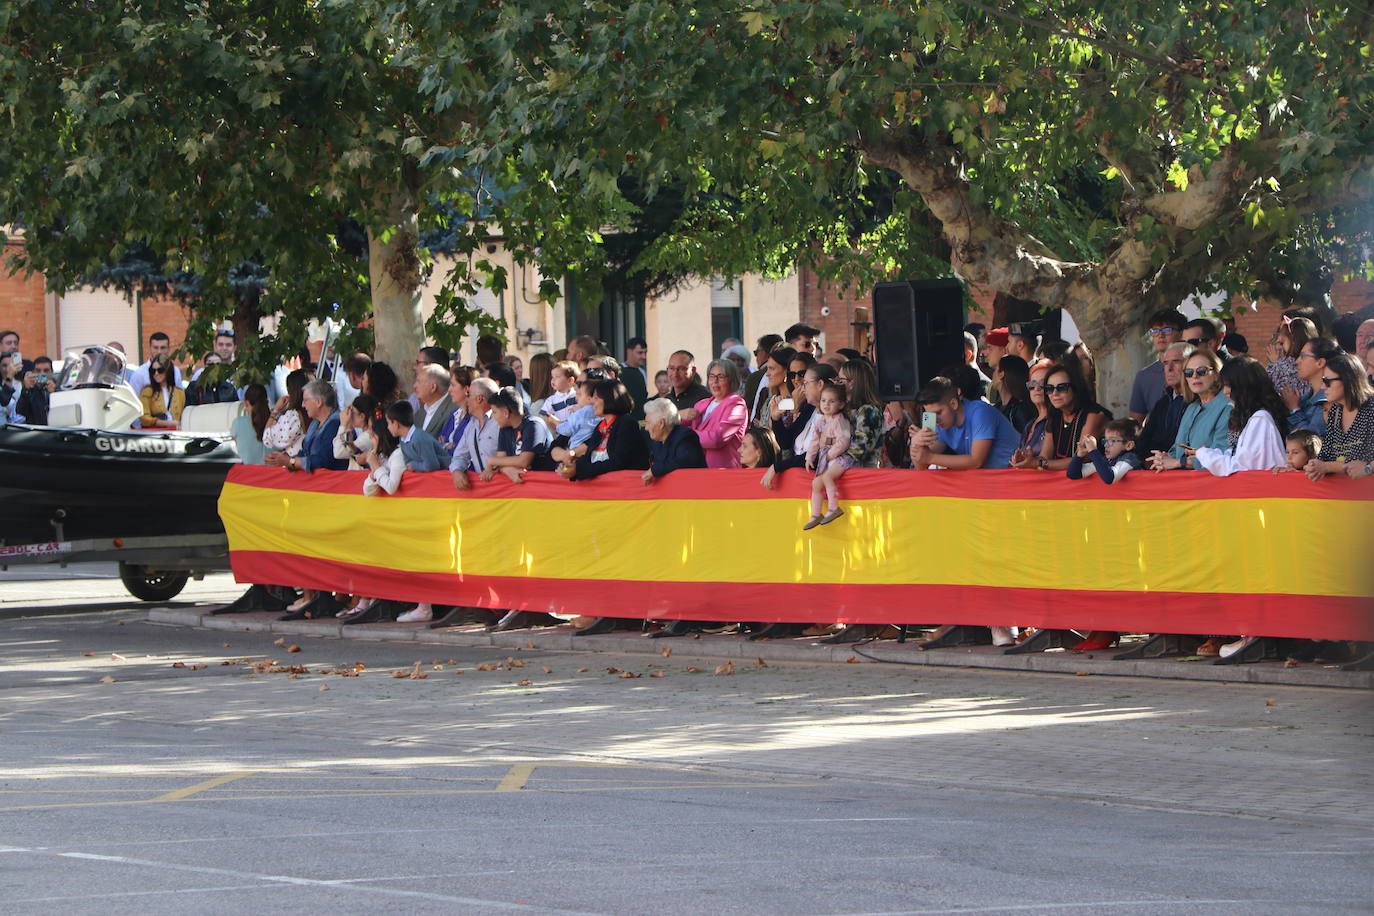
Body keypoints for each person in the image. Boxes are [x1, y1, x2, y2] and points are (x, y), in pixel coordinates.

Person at [1192, 356, 1286, 477]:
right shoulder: (1254, 419)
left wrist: (1204, 454)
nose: (1225, 391)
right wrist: (1210, 453)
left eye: (1228, 385)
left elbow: (1241, 469)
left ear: (1243, 386)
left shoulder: (1260, 421)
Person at [909, 375, 1021, 471]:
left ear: (953, 404)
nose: (935, 420)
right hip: (992, 482)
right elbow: (921, 466)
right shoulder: (941, 423)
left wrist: (930, 457)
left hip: (1017, 477)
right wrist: (916, 444)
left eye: (938, 412)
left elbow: (976, 461)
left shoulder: (980, 412)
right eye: (930, 415)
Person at [1148, 349, 1232, 471]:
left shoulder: (1227, 407)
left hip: (1212, 484)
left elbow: (1220, 456)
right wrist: (1163, 458)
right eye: (1188, 373)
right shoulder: (1191, 408)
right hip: (1184, 483)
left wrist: (1178, 462)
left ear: (1216, 374)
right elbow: (1176, 449)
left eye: (1201, 371)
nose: (1194, 376)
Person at [1303, 350, 1374, 480]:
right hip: (1347, 496)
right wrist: (1308, 466)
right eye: (1323, 381)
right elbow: (1326, 455)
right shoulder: (1335, 411)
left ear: (1347, 380)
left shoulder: (1371, 408)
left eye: (1327, 381)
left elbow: (1360, 463)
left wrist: (1368, 468)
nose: (1323, 387)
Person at [562, 379, 650, 480]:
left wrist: (579, 470)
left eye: (596, 397)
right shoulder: (601, 426)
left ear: (609, 399)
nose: (591, 401)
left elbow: (618, 462)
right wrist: (571, 467)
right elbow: (588, 457)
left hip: (624, 489)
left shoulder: (627, 424)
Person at [1034, 362, 1109, 472]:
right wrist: (1027, 459)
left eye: (1062, 387)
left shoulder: (1094, 415)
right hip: (1064, 484)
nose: (1054, 393)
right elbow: (1044, 456)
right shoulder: (1055, 415)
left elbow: (1082, 459)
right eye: (1049, 388)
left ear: (1076, 388)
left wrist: (1038, 463)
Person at [264, 380, 348, 473]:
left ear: (318, 402)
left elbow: (323, 460)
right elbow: (305, 452)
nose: (303, 405)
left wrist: (290, 461)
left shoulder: (335, 424)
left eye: (305, 400)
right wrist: (286, 458)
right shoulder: (315, 424)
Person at [803, 383, 854, 529]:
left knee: (827, 477)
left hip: (841, 457)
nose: (826, 404)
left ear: (841, 404)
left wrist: (831, 454)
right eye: (824, 400)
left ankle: (833, 507)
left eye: (832, 401)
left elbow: (844, 440)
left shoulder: (839, 420)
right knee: (816, 484)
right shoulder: (820, 421)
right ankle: (816, 514)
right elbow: (814, 440)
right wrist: (809, 457)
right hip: (826, 455)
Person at [481, 386, 555, 483]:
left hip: (546, 486)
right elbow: (501, 460)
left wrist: (491, 461)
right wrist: (506, 469)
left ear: (506, 413)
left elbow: (524, 461)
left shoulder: (534, 425)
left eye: (494, 412)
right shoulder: (505, 428)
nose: (493, 417)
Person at [1132, 343, 1192, 461]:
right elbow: (1144, 441)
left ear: (1190, 365)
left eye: (1176, 361)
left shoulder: (1198, 402)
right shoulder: (1162, 402)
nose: (1169, 368)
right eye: (1165, 363)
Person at [685, 359, 747, 468]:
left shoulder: (737, 404)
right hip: (697, 469)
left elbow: (717, 438)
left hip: (722, 471)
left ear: (732, 380)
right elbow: (673, 423)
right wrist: (678, 415)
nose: (715, 381)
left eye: (721, 376)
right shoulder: (701, 404)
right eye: (712, 376)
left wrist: (688, 435)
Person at [1129, 309, 1187, 421]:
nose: (1161, 335)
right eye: (1155, 331)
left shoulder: (1193, 370)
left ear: (1181, 333)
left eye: (1167, 329)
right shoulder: (1144, 376)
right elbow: (1135, 422)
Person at [448, 377, 501, 490]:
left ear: (479, 399)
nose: (466, 399)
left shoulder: (500, 422)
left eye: (468, 394)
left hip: (505, 491)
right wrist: (457, 471)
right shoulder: (471, 425)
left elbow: (513, 455)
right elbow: (460, 456)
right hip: (483, 493)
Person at [642, 397, 708, 485]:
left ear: (661, 423)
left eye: (648, 423)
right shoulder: (657, 442)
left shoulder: (685, 436)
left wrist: (654, 470)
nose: (646, 428)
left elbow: (683, 462)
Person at [837, 359, 885, 468]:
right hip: (844, 472)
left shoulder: (869, 411)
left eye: (841, 380)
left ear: (852, 383)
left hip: (861, 475)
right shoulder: (844, 407)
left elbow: (859, 450)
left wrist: (831, 462)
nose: (837, 384)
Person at [1285, 336, 1336, 433]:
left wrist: (1294, 409)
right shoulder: (1304, 398)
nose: (1297, 361)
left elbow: (1312, 439)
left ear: (1320, 362)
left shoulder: (1328, 401)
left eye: (1303, 356)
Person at [1068, 418, 1142, 484]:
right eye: (1105, 440)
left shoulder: (1130, 458)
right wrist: (1079, 455)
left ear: (1129, 445)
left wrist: (1093, 450)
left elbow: (1110, 478)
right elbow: (1073, 474)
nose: (1106, 445)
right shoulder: (1108, 460)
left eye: (1112, 440)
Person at [1265, 316, 1318, 406]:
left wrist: (1275, 364)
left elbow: (1277, 388)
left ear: (1294, 341)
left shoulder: (1289, 365)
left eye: (1282, 343)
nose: (1280, 347)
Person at [1010, 361, 1052, 467]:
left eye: (1043, 384)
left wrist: (1032, 461)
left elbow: (1046, 459)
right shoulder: (1030, 424)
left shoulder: (1057, 420)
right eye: (1032, 385)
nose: (1037, 389)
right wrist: (1019, 458)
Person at [262, 368, 310, 456]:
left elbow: (267, 438)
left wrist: (275, 411)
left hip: (296, 463)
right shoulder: (315, 411)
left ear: (290, 390)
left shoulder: (293, 416)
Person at [750, 346, 796, 428]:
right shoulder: (768, 398)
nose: (767, 374)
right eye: (767, 368)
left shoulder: (796, 403)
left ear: (786, 371)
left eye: (772, 368)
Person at [333, 394, 379, 469]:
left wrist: (343, 424)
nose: (349, 415)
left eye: (352, 412)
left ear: (362, 416)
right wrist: (347, 427)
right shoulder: (366, 435)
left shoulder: (367, 438)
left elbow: (338, 453)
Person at [138, 356, 185, 428]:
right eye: (153, 371)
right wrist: (166, 423)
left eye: (160, 370)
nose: (156, 373)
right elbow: (144, 418)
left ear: (168, 370)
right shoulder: (147, 391)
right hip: (156, 435)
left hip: (176, 434)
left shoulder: (179, 392)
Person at [230, 384, 270, 465]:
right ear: (267, 402)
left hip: (247, 474)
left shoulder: (238, 423)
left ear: (246, 403)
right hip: (275, 475)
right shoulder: (277, 421)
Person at [411, 362, 454, 438]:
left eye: (418, 381)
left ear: (433, 387)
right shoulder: (420, 413)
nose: (414, 386)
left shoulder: (453, 412)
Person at [744, 333, 784, 411]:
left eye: (756, 352)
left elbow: (748, 407)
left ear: (765, 353)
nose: (768, 374)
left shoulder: (756, 377)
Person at [994, 355, 1033, 434]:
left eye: (995, 370)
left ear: (1001, 374)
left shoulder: (1021, 410)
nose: (993, 373)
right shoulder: (997, 406)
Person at [620, 337, 649, 420]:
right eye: (640, 353)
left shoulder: (642, 372)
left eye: (645, 352)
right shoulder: (618, 371)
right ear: (629, 351)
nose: (644, 356)